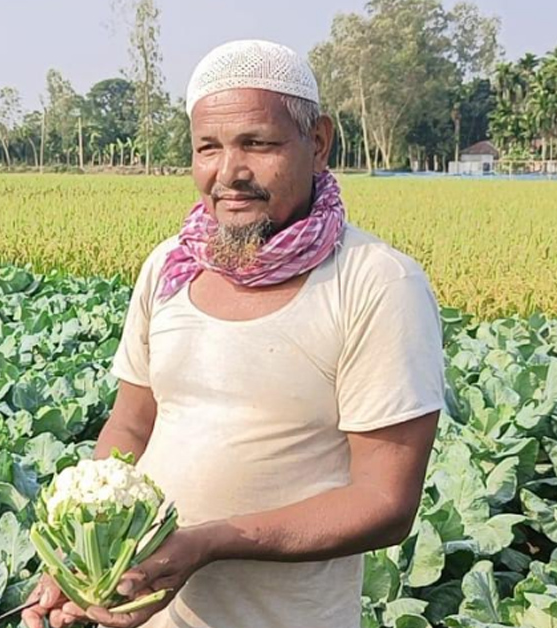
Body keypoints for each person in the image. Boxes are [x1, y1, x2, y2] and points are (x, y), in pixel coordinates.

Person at [23, 39, 445, 628]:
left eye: (258, 144)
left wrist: (209, 542)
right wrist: (82, 556)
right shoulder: (169, 267)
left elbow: (385, 503)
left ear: (318, 142)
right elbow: (130, 425)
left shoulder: (376, 283)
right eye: (209, 148)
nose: (229, 174)